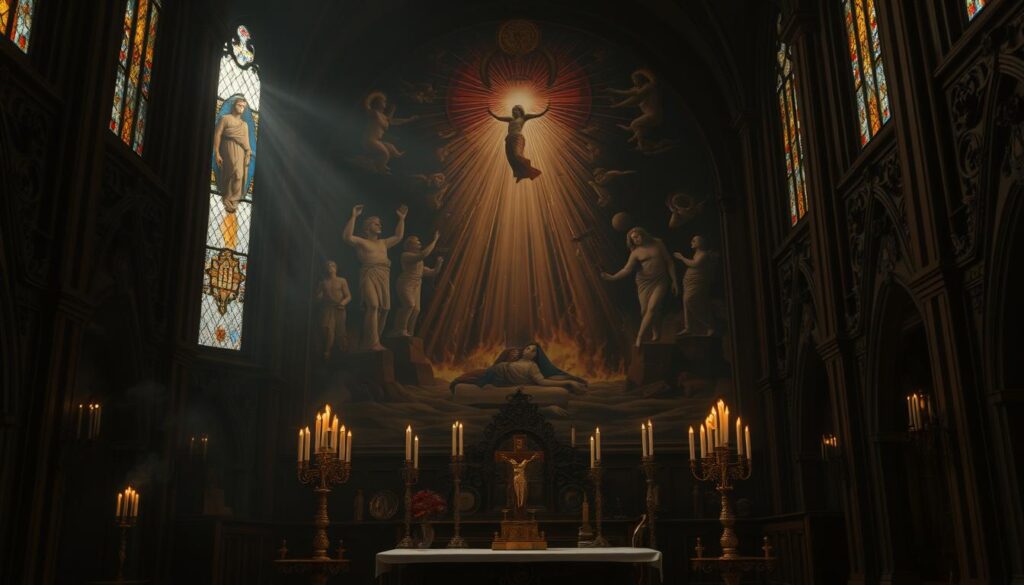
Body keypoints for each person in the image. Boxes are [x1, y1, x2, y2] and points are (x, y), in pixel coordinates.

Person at [342, 204, 407, 351]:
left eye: (379, 223)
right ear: (367, 227)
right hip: (369, 274)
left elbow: (398, 236)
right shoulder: (362, 242)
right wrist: (353, 216)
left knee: (384, 309)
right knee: (373, 306)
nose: (379, 226)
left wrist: (401, 219)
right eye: (375, 223)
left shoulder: (383, 242)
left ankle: (372, 340)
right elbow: (346, 237)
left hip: (383, 275)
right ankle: (372, 343)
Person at [601, 227, 678, 347]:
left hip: (660, 281)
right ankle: (655, 330)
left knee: (652, 308)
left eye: (637, 237)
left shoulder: (658, 243)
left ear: (643, 234)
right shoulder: (636, 252)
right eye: (633, 239)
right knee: (645, 311)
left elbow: (669, 261)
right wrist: (613, 277)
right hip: (644, 283)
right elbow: (627, 269)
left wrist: (674, 281)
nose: (636, 240)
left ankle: (639, 337)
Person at [449, 342, 587, 394]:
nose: (529, 351)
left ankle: (481, 384)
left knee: (473, 380)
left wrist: (568, 382)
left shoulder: (532, 366)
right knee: (467, 376)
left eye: (533, 351)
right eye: (528, 348)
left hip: (498, 379)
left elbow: (543, 382)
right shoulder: (514, 356)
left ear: (536, 356)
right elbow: (497, 364)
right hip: (491, 372)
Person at [391, 232, 444, 337]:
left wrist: (439, 263)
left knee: (416, 309)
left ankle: (410, 331)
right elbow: (423, 254)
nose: (420, 245)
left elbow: (432, 272)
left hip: (416, 284)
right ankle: (400, 329)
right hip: (405, 283)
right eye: (417, 243)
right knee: (409, 304)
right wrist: (435, 240)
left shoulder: (419, 261)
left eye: (420, 243)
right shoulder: (406, 255)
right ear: (410, 245)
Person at [359, 91, 417, 174]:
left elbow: (394, 121)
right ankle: (378, 166)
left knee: (392, 148)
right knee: (385, 154)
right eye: (383, 101)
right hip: (370, 140)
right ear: (377, 103)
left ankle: (380, 163)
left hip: (377, 140)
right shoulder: (374, 113)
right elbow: (367, 105)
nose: (385, 103)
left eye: (384, 102)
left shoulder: (383, 117)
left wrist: (410, 119)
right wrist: (371, 97)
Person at [487, 104, 550, 182]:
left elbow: (537, 115)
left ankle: (529, 168)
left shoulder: (523, 118)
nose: (514, 112)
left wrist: (545, 111)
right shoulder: (510, 119)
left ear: (520, 111)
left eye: (516, 110)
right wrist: (491, 113)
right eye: (513, 111)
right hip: (509, 139)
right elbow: (499, 118)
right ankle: (521, 174)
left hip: (517, 138)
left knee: (517, 155)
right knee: (511, 158)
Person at [213, 96, 252, 213]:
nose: (241, 108)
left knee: (239, 175)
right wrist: (217, 153)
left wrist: (248, 152)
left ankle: (234, 198)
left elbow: (246, 142)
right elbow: (218, 134)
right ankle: (227, 195)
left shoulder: (244, 125)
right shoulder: (225, 119)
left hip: (240, 151)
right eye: (239, 105)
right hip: (227, 147)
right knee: (231, 172)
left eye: (243, 107)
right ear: (234, 105)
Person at [674, 235, 715, 336]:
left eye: (694, 241)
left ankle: (710, 325)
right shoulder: (698, 253)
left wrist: (681, 258)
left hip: (697, 283)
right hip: (689, 283)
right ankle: (688, 327)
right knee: (686, 304)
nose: (691, 242)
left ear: (701, 243)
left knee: (690, 300)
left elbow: (695, 264)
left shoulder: (704, 254)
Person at [315, 260, 352, 359]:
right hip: (327, 308)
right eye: (328, 266)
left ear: (336, 268)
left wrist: (342, 303)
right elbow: (317, 297)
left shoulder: (342, 280)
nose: (330, 267)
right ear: (326, 269)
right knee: (327, 328)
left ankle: (343, 351)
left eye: (332, 266)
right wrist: (319, 296)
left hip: (339, 308)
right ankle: (327, 351)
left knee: (341, 331)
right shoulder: (323, 283)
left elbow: (348, 296)